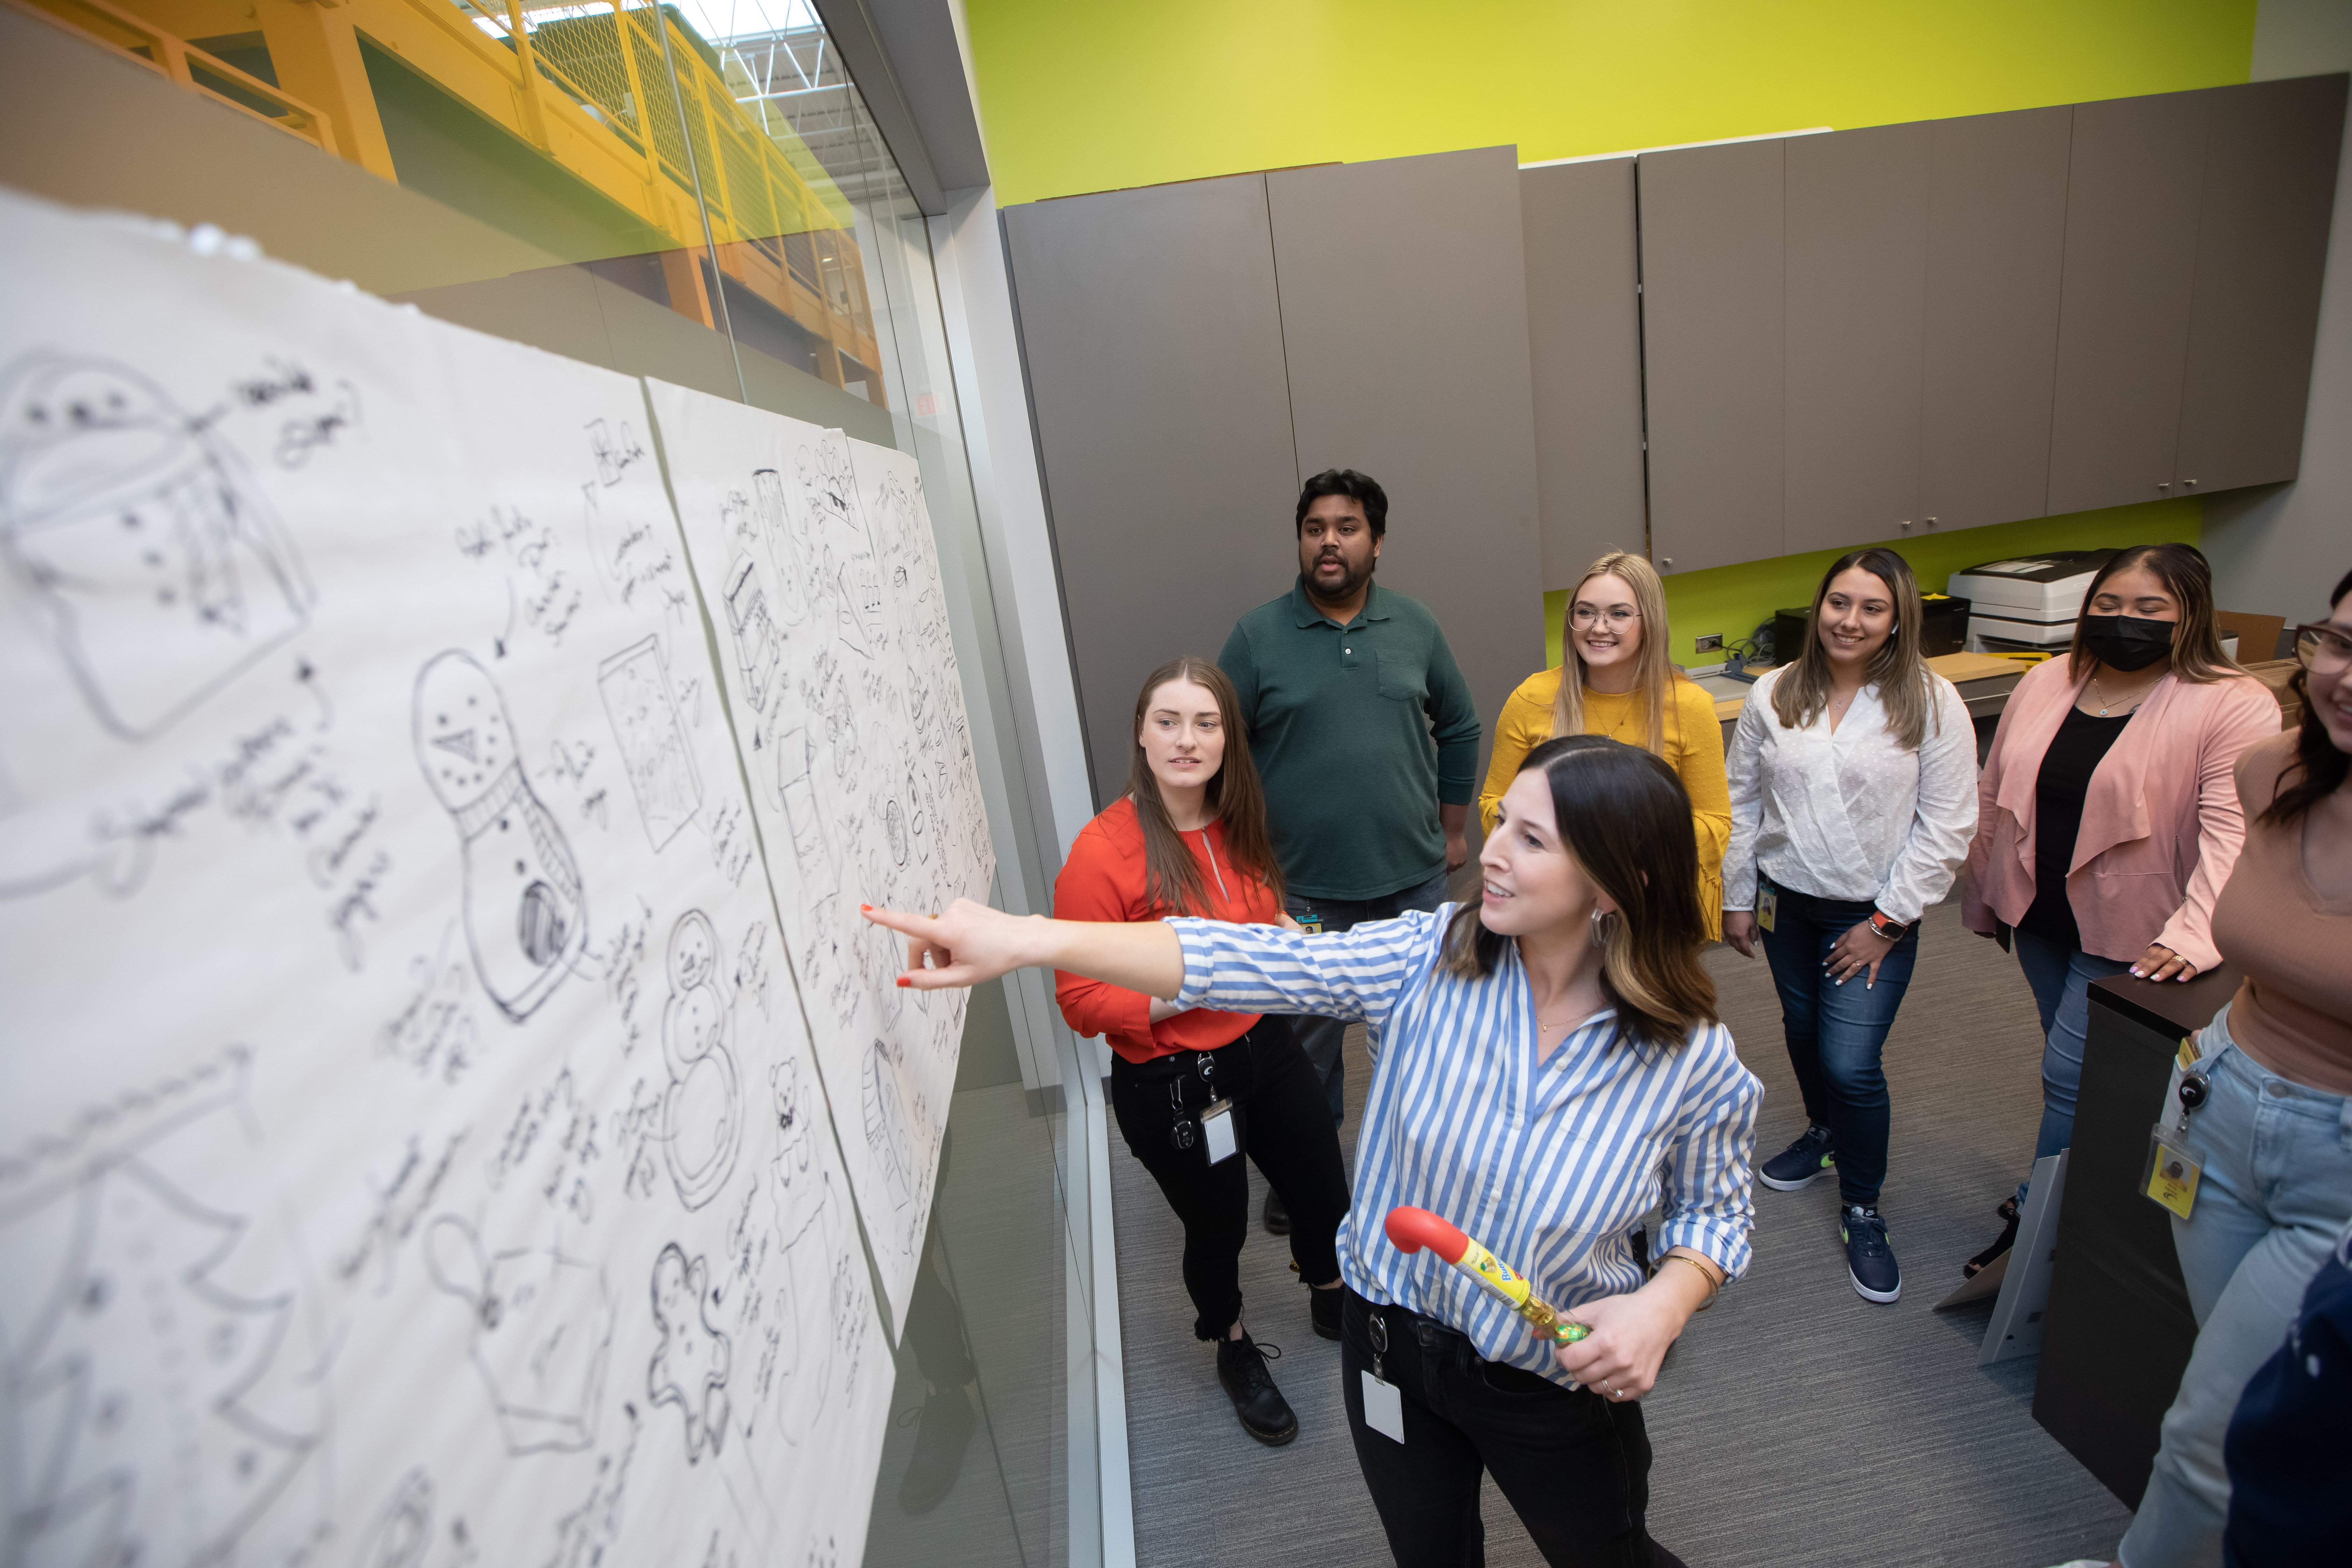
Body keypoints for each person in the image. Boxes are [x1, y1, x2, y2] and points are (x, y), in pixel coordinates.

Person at [868, 734, 1758, 1567]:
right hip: (1388, 1348)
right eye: (1501, 824)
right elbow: (1235, 958)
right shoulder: (1428, 957)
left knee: (1603, 1555)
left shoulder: (1686, 1056)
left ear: (1613, 882)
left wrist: (1665, 1305)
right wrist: (1028, 939)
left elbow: (1716, 1211)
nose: (1490, 853)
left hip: (1545, 1377)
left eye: (1532, 839)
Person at [2092, 567, 2352, 1568]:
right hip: (2219, 1103)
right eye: (2341, 643)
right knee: (2235, 1378)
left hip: (2339, 1168)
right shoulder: (2272, 772)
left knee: (2213, 1429)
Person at [1050, 656, 1350, 1446]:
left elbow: (1264, 913)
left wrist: (1298, 943)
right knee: (1218, 1232)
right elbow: (1079, 999)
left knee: (1324, 1189)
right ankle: (1233, 1342)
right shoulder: (1102, 852)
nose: (1188, 739)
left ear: (1228, 738)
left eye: (1206, 722)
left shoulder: (1241, 819)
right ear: (1141, 737)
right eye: (1169, 721)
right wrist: (1181, 988)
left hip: (1265, 1044)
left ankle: (1329, 1285)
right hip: (1175, 1080)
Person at [1960, 543, 2280, 1276]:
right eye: (2107, 605)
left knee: (2070, 1075)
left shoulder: (2231, 701)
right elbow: (1993, 791)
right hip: (2041, 914)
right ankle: (2086, 1187)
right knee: (2077, 1071)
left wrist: (2199, 931)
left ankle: (2042, 1226)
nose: (2122, 622)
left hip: (2141, 931)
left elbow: (2234, 832)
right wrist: (1983, 892)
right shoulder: (2049, 679)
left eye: (2147, 610)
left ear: (2190, 615)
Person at [1219, 468, 1482, 1235]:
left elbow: (1460, 725)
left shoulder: (1416, 625)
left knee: (1427, 1032)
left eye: (1347, 527)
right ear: (1299, 540)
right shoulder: (1257, 636)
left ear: (1377, 541)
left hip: (1414, 881)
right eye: (1314, 528)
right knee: (1306, 1049)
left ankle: (1424, 1168)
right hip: (1302, 889)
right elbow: (1219, 747)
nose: (1329, 541)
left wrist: (1455, 826)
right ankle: (1308, 1164)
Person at [1719, 548, 1976, 1304]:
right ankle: (1825, 1135)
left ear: (1898, 619)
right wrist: (1740, 896)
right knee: (1801, 1027)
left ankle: (1864, 1206)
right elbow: (1743, 801)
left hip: (1874, 912)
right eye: (1839, 602)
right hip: (1786, 901)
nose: (1850, 619)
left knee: (1852, 1061)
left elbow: (1950, 824)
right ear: (1818, 606)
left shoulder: (1931, 702)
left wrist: (1888, 921)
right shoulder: (1774, 692)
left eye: (1871, 607)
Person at [1479, 549, 1730, 939]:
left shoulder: (1689, 707)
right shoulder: (1532, 697)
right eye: (1585, 612)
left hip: (1650, 911)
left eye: (1619, 614)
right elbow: (1493, 803)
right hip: (1554, 908)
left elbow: (1714, 823)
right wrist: (1563, 842)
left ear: (1650, 622)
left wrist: (1619, 844)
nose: (1598, 627)